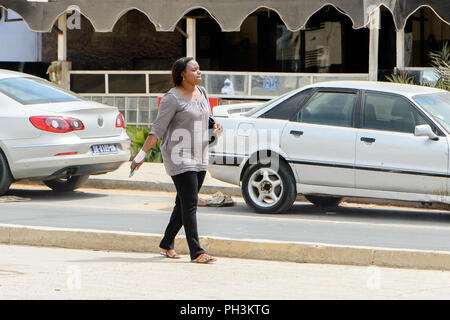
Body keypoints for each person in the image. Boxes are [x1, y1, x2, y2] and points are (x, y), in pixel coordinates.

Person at [130, 57, 223, 264]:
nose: (199, 73)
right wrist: (141, 155)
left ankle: (166, 243)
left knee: (182, 203)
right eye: (194, 69)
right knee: (190, 203)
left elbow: (206, 117)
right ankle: (197, 252)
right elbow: (158, 129)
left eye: (199, 69)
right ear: (182, 73)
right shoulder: (172, 98)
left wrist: (215, 126)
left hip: (200, 153)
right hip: (179, 155)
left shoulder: (203, 93)